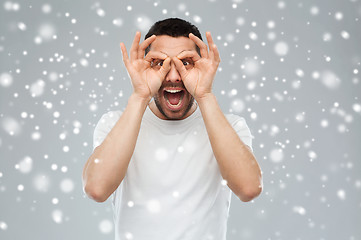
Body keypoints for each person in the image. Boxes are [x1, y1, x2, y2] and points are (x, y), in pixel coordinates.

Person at [82, 18, 263, 240]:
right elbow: (96, 189)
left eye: (185, 62)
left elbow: (249, 188)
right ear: (146, 65)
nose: (174, 75)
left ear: (201, 64)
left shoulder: (230, 126)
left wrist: (204, 94)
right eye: (160, 63)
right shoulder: (116, 124)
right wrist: (140, 96)